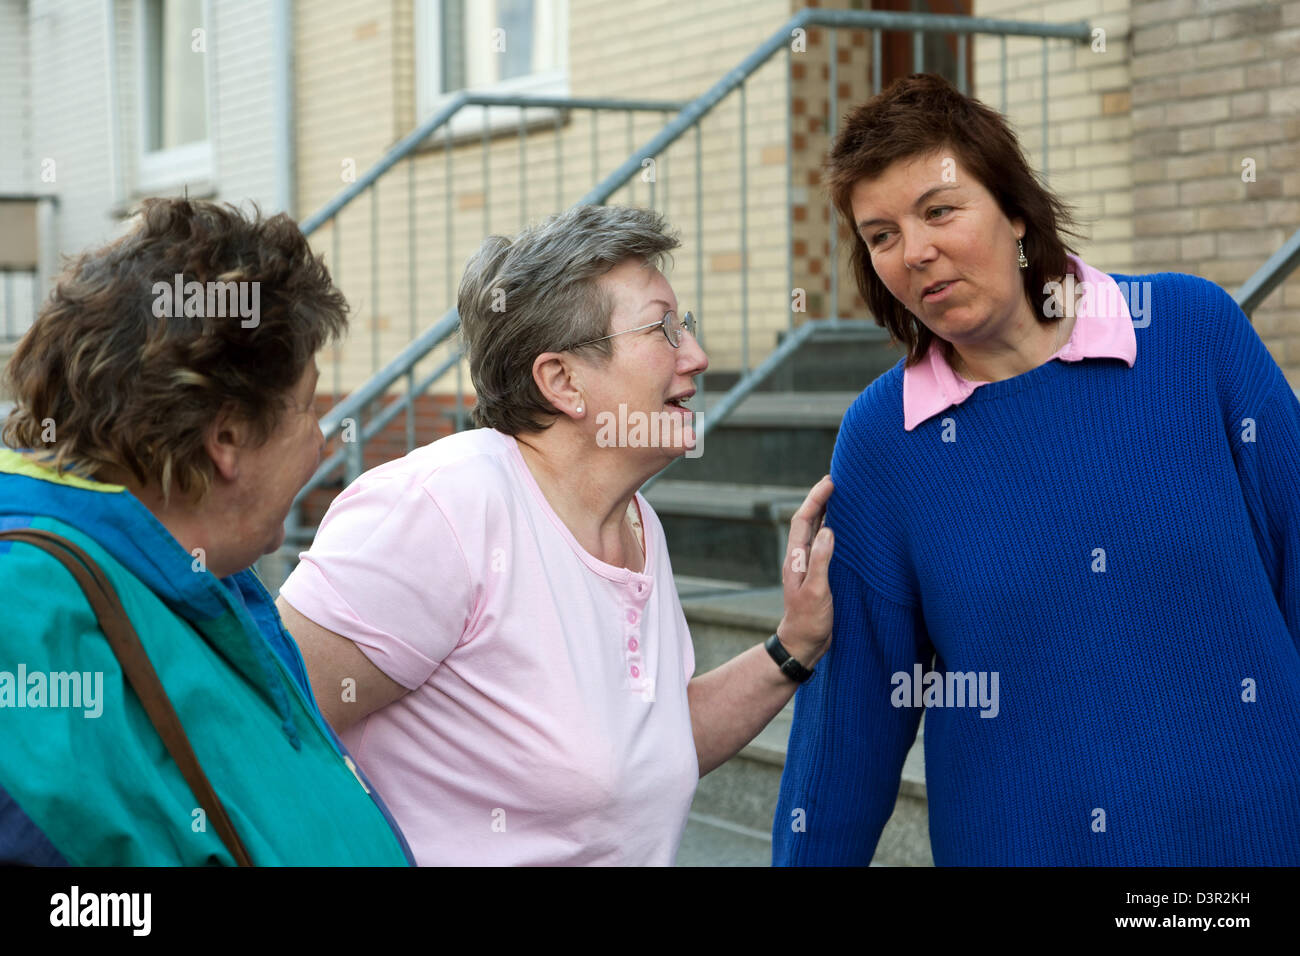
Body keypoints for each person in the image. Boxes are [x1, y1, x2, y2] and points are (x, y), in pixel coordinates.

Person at [773, 73, 1300, 866]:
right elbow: (850, 729)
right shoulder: (886, 439)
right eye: (880, 235)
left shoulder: (1194, 335)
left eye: (939, 211)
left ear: (1016, 211)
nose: (914, 252)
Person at [276, 203, 835, 865]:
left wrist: (794, 643)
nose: (697, 356)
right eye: (662, 329)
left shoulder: (633, 522)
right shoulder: (445, 507)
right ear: (562, 380)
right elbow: (265, 737)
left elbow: (649, 748)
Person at [0, 198, 413, 866]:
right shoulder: (25, 613)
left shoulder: (195, 577)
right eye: (307, 405)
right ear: (227, 437)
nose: (319, 437)